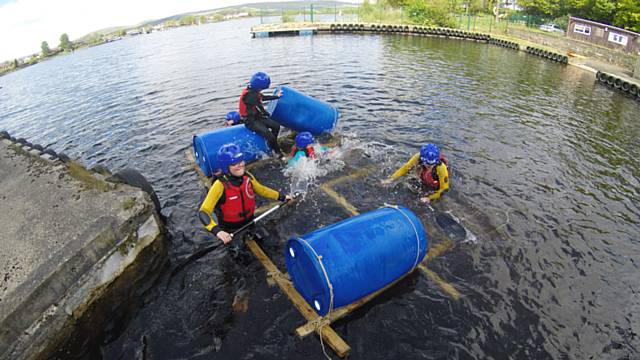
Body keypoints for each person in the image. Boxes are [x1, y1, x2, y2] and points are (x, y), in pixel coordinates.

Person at [199, 143, 292, 244]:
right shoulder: (219, 185)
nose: (240, 165)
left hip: (250, 221)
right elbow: (203, 212)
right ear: (226, 167)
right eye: (234, 164)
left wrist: (282, 197)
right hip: (230, 229)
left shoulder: (247, 177)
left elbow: (262, 190)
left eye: (241, 161)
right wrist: (218, 231)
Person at [381, 143, 450, 204]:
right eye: (428, 165)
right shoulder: (418, 157)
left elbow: (444, 189)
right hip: (423, 171)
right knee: (412, 175)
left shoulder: (441, 167)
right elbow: (405, 168)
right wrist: (391, 179)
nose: (430, 167)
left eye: (432, 165)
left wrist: (429, 198)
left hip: (436, 183)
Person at [239, 72, 283, 154]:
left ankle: (272, 143)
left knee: (276, 126)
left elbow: (263, 98)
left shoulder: (253, 91)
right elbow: (261, 108)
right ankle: (278, 153)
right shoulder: (250, 95)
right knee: (270, 136)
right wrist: (266, 114)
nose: (262, 90)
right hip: (250, 120)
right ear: (259, 87)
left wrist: (277, 96)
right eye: (262, 88)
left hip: (257, 117)